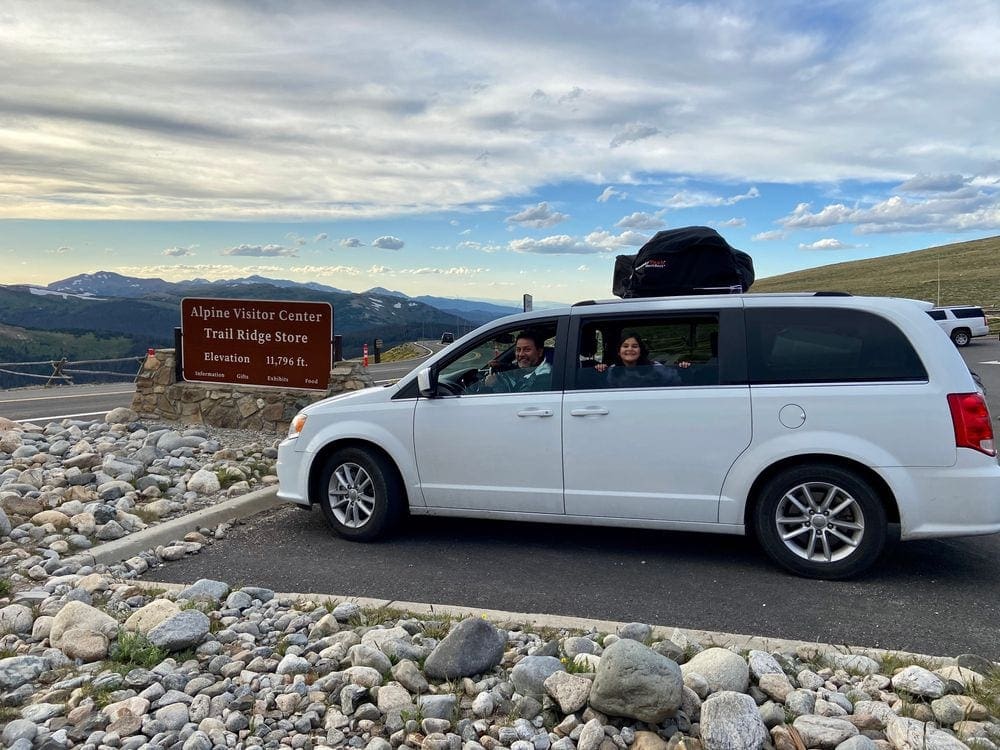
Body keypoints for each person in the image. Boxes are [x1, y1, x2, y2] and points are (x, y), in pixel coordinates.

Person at [595, 330, 689, 387]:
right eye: (625, 346)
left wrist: (684, 369)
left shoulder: (655, 368)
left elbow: (677, 383)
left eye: (635, 346)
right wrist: (600, 371)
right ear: (619, 352)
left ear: (641, 351)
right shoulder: (612, 371)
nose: (630, 349)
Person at [477, 328, 552, 393]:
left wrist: (493, 385)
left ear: (540, 352)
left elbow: (513, 403)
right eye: (518, 350)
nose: (521, 354)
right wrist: (500, 365)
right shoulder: (532, 369)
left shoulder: (543, 378)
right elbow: (518, 369)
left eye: (527, 350)